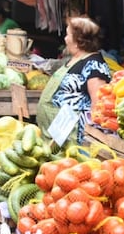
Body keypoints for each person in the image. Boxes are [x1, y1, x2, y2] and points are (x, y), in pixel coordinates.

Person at [37, 16, 111, 145]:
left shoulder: (94, 65)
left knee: (70, 164)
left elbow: (99, 104)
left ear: (78, 41)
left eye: (67, 35)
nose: (65, 39)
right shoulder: (75, 59)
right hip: (58, 135)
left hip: (74, 137)